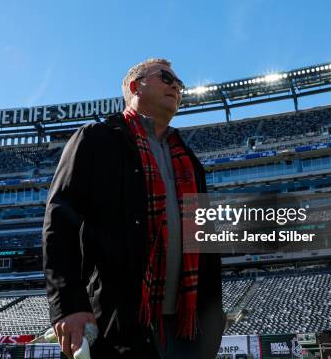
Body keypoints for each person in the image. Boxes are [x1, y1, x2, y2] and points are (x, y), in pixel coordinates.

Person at [43, 58, 224, 358]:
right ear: (134, 86)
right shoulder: (96, 140)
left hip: (187, 327)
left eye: (180, 84)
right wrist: (69, 305)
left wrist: (213, 318)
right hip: (121, 322)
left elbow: (205, 241)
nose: (175, 87)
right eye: (166, 78)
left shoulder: (189, 160)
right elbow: (60, 222)